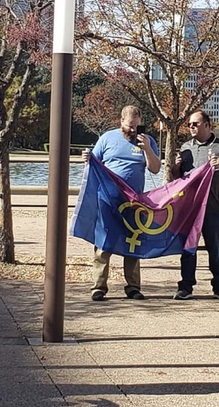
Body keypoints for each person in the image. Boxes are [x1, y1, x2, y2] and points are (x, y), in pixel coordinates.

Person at [82, 105, 161, 301]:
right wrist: (86, 158)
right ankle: (98, 287)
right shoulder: (108, 138)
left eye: (136, 126)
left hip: (134, 202)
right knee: (103, 242)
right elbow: (94, 162)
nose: (133, 130)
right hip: (108, 200)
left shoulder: (147, 141)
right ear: (121, 122)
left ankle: (133, 286)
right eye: (129, 126)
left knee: (133, 242)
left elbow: (155, 169)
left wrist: (148, 150)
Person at [171, 110, 219, 300]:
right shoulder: (185, 148)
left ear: (207, 125)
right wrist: (176, 166)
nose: (191, 127)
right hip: (189, 210)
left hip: (212, 209)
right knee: (188, 249)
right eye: (189, 124)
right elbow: (178, 179)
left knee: (215, 248)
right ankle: (185, 286)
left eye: (195, 124)